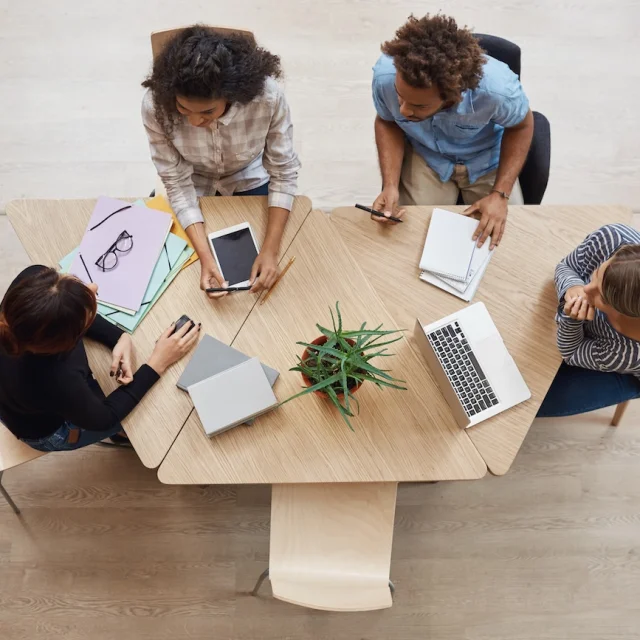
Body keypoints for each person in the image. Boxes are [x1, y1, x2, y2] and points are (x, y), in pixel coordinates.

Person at [141, 25, 301, 299]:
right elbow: (176, 182)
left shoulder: (268, 98)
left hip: (248, 175)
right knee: (169, 272)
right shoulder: (155, 105)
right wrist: (206, 258)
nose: (193, 121)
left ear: (232, 94)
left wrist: (270, 252)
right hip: (193, 179)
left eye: (207, 111)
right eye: (183, 108)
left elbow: (284, 173)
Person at [371, 14, 534, 249]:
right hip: (427, 155)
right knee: (406, 240)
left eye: (419, 105)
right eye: (400, 96)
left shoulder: (497, 91)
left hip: (485, 159)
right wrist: (389, 185)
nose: (404, 110)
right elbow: (387, 121)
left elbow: (522, 126)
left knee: (509, 242)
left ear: (452, 97)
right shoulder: (386, 75)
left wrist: (500, 195)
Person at [0, 266, 199, 451]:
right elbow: (105, 418)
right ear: (68, 341)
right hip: (48, 431)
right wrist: (158, 363)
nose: (93, 287)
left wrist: (118, 337)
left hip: (20, 401)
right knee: (147, 417)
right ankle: (121, 435)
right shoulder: (58, 379)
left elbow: (62, 310)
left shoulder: (29, 285)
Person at [537, 224, 640, 418]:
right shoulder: (612, 238)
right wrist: (572, 285)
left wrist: (570, 319)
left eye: (599, 295)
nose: (586, 289)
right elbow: (566, 266)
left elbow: (573, 351)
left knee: (537, 402)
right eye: (596, 274)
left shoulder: (626, 354)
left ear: (623, 313)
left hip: (628, 368)